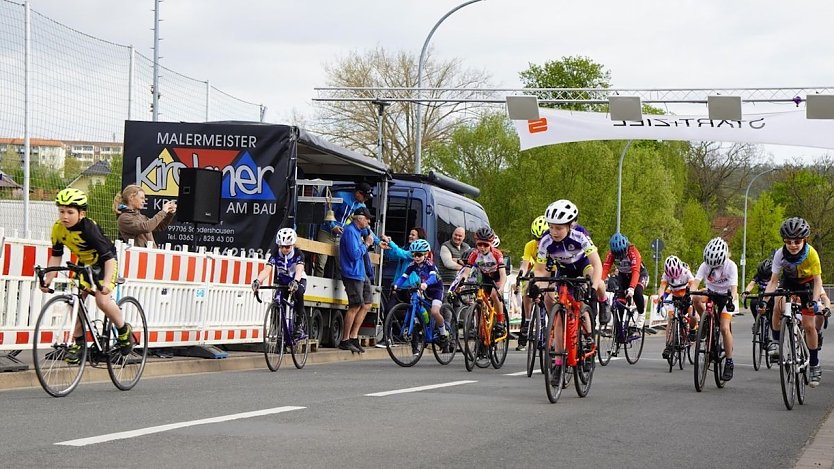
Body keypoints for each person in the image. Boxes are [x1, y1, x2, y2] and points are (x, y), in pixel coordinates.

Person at [40, 188, 133, 364]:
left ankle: (123, 330)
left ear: (81, 213)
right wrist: (49, 278)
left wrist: (106, 284)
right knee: (76, 301)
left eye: (70, 212)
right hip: (84, 263)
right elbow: (56, 254)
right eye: (61, 211)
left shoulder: (89, 229)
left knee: (102, 301)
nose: (64, 216)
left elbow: (108, 259)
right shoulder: (58, 228)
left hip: (104, 262)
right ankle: (80, 342)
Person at [529, 199, 607, 381]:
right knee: (558, 318)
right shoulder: (546, 241)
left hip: (583, 265)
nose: (554, 232)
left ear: (570, 225)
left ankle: (590, 336)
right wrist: (535, 286)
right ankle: (558, 364)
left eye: (559, 228)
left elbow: (597, 264)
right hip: (563, 269)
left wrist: (593, 288)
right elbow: (541, 270)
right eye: (552, 227)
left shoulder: (580, 235)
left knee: (589, 290)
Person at [765, 217, 831, 387]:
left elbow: (818, 282)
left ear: (804, 240)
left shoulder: (812, 254)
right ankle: (775, 341)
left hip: (808, 284)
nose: (793, 245)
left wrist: (815, 301)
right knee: (777, 304)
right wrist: (765, 300)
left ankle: (814, 364)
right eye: (788, 241)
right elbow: (773, 281)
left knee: (809, 326)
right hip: (789, 281)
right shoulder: (780, 254)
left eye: (797, 241)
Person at [691, 237, 739, 381]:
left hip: (726, 296)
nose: (713, 267)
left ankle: (729, 362)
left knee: (724, 328)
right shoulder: (704, 265)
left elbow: (734, 289)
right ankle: (705, 323)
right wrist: (690, 293)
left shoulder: (731, 266)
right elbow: (695, 283)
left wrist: (732, 299)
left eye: (716, 265)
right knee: (695, 298)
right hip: (711, 292)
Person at [393, 239, 448, 353]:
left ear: (426, 254)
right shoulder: (412, 264)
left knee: (434, 312)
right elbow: (404, 276)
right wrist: (396, 285)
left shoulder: (429, 263)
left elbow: (433, 277)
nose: (416, 257)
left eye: (418, 255)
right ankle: (424, 325)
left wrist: (426, 284)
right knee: (416, 305)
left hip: (435, 288)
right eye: (413, 254)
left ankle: (443, 333)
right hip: (423, 287)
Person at [252, 228, 307, 334]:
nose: (285, 249)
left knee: (299, 293)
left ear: (293, 245)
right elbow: (267, 269)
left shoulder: (298, 254)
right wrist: (258, 281)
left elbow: (299, 269)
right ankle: (278, 330)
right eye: (282, 246)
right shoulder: (275, 254)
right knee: (278, 300)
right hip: (283, 281)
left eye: (287, 246)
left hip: (298, 279)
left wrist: (296, 281)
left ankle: (298, 324)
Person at [456, 227, 508, 338]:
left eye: (485, 245)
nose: (482, 248)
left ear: (490, 244)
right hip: (485, 277)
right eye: (480, 244)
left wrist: (501, 288)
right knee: (480, 300)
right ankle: (481, 332)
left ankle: (500, 322)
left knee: (495, 295)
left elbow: (503, 275)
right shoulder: (474, 254)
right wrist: (461, 284)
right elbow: (466, 273)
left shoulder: (497, 254)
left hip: (497, 277)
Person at [315, 182, 374, 277]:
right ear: (358, 193)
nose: (366, 200)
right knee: (320, 263)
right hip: (326, 232)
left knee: (342, 265)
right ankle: (315, 288)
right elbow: (327, 212)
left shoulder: (362, 207)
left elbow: (366, 228)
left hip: (342, 236)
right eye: (365, 197)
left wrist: (378, 241)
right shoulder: (341, 196)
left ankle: (341, 289)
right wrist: (333, 226)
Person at [338, 207, 376, 353]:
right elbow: (354, 255)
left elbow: (371, 235)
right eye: (367, 218)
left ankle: (353, 337)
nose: (368, 221)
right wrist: (366, 244)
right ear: (359, 219)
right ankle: (345, 339)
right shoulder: (350, 232)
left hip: (361, 273)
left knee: (367, 304)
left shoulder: (361, 230)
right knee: (355, 305)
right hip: (352, 273)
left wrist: (379, 242)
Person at [515, 215, 549, 351]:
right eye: (537, 239)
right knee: (528, 284)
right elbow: (525, 264)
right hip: (538, 270)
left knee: (551, 297)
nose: (539, 242)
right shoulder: (530, 245)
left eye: (542, 238)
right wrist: (521, 274)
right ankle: (528, 320)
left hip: (552, 270)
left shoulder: (553, 245)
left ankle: (551, 325)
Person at [601, 232, 649, 326]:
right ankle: (620, 330)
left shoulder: (633, 251)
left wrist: (631, 288)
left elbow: (636, 271)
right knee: (619, 302)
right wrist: (600, 281)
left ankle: (641, 314)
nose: (620, 257)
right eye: (617, 255)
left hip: (639, 275)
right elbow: (605, 269)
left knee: (637, 292)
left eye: (621, 254)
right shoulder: (611, 254)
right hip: (623, 276)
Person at [656, 255, 699, 359]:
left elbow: (694, 285)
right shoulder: (665, 274)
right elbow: (662, 287)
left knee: (692, 315)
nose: (674, 278)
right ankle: (669, 345)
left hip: (687, 297)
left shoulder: (686, 272)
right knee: (671, 320)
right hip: (675, 298)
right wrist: (660, 296)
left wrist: (691, 297)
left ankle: (692, 330)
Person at [112, 184, 177, 247]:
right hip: (138, 256)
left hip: (149, 254)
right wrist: (163, 212)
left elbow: (160, 226)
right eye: (142, 198)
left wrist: (169, 214)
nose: (144, 201)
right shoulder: (124, 218)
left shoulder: (141, 216)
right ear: (131, 197)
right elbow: (146, 227)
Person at [743, 256, 775, 334]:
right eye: (763, 276)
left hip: (772, 295)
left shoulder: (775, 275)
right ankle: (757, 322)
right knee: (753, 302)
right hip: (761, 295)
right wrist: (746, 291)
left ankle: (773, 327)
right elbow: (751, 284)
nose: (764, 278)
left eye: (766, 277)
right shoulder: (758, 275)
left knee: (774, 308)